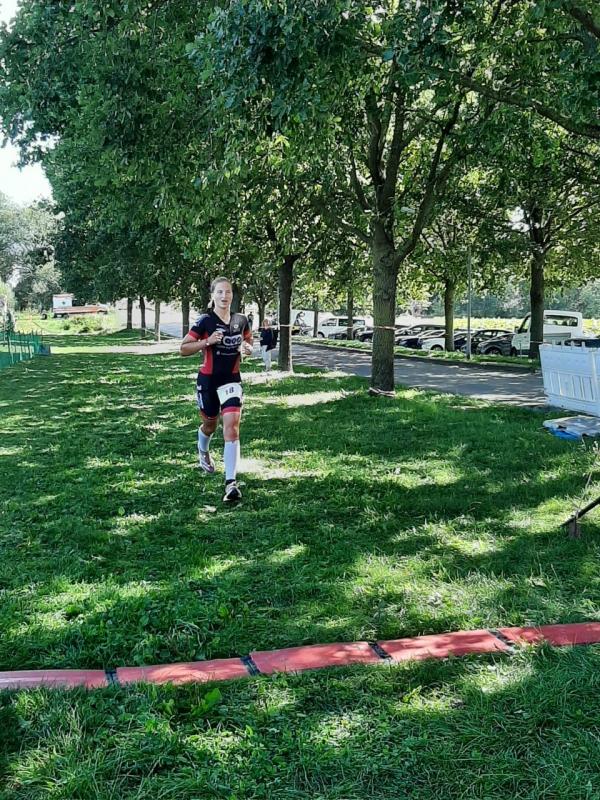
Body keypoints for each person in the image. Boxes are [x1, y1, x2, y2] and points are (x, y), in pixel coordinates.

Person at [180, 277, 253, 503]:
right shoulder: (205, 321)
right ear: (212, 295)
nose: (224, 296)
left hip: (231, 380)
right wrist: (207, 341)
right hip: (208, 381)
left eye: (228, 292)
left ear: (232, 295)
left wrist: (247, 348)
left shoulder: (241, 320)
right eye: (220, 292)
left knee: (232, 427)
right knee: (210, 425)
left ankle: (231, 483)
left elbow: (248, 341)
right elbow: (183, 348)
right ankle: (203, 450)